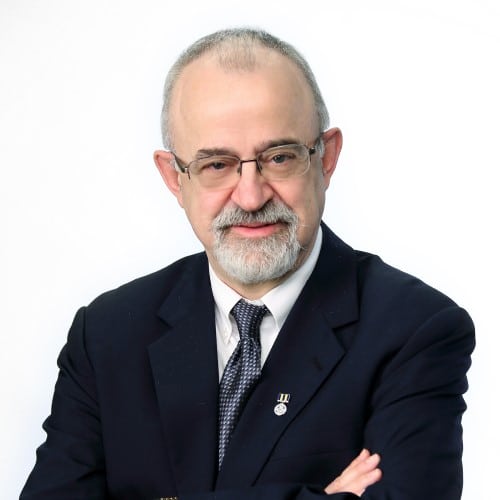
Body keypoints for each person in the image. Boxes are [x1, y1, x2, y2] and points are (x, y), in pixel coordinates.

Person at [20, 28, 474, 500]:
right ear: (174, 178)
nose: (251, 197)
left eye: (279, 158)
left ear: (327, 158)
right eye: (216, 164)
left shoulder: (415, 331)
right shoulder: (107, 335)